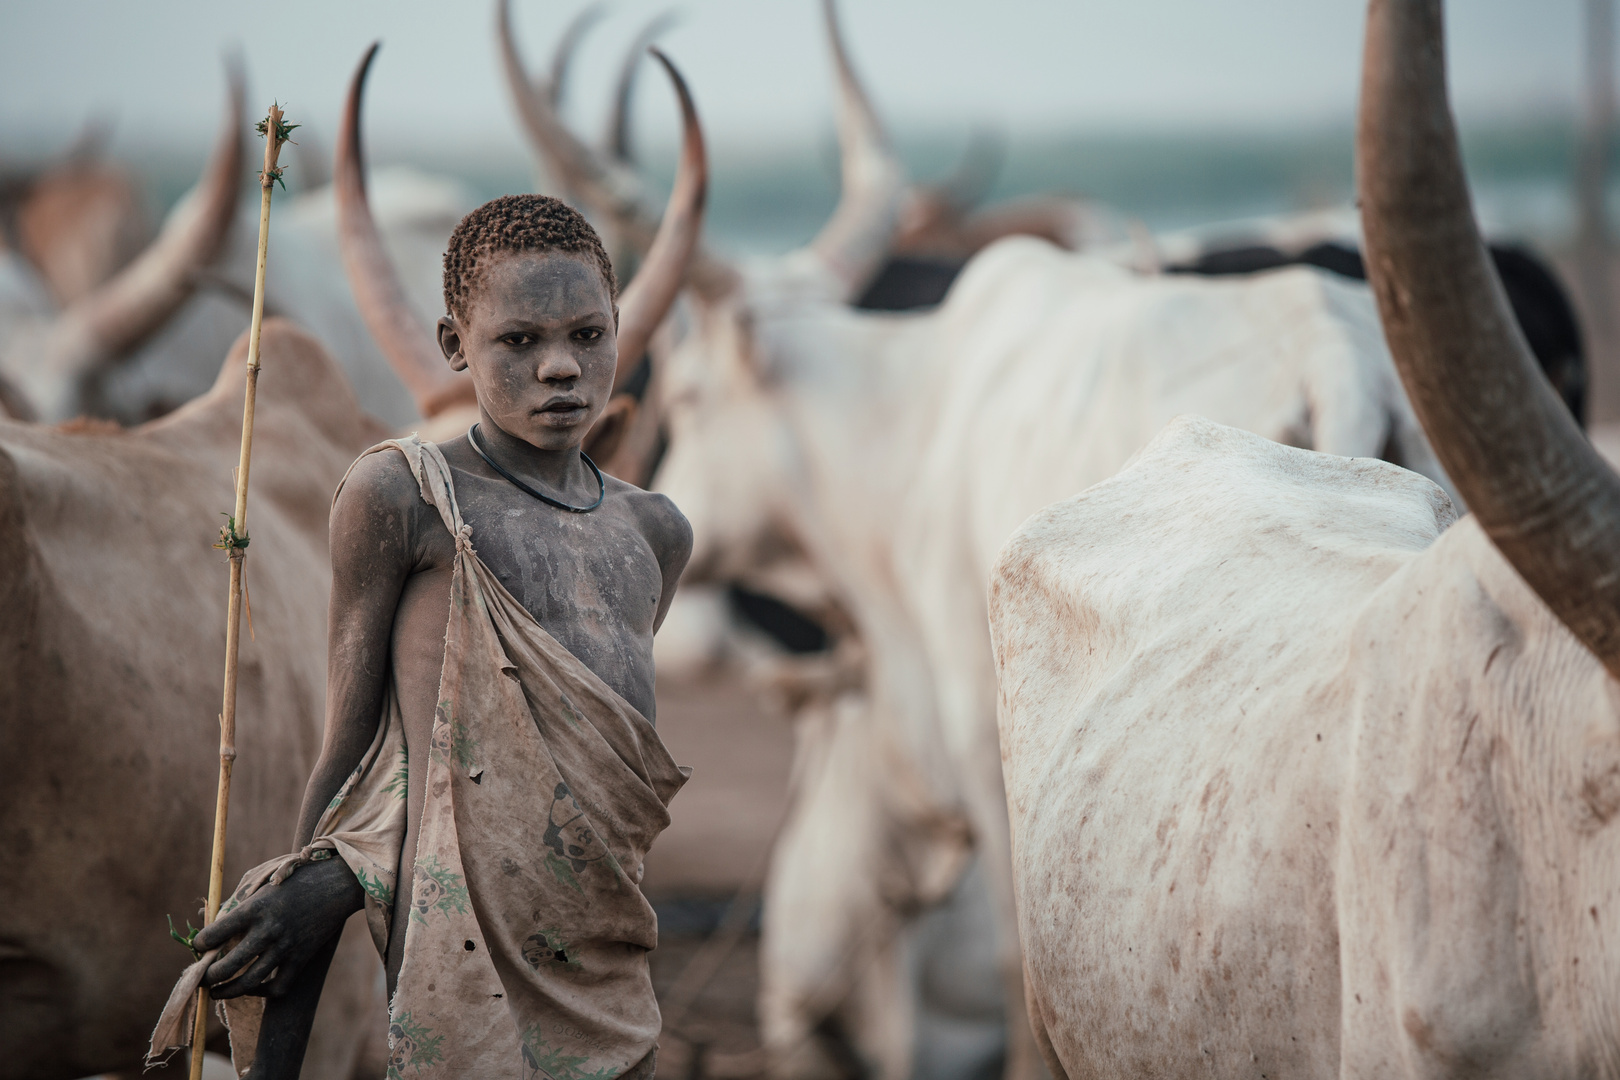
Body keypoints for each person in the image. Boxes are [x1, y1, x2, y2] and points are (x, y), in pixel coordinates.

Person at [189, 195, 693, 1079]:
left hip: (616, 991)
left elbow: (578, 785)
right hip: (460, 994)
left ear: (621, 333)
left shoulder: (655, 533)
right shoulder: (404, 498)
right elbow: (351, 771)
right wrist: (277, 1052)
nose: (560, 370)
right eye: (518, 342)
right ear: (455, 344)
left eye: (587, 336)